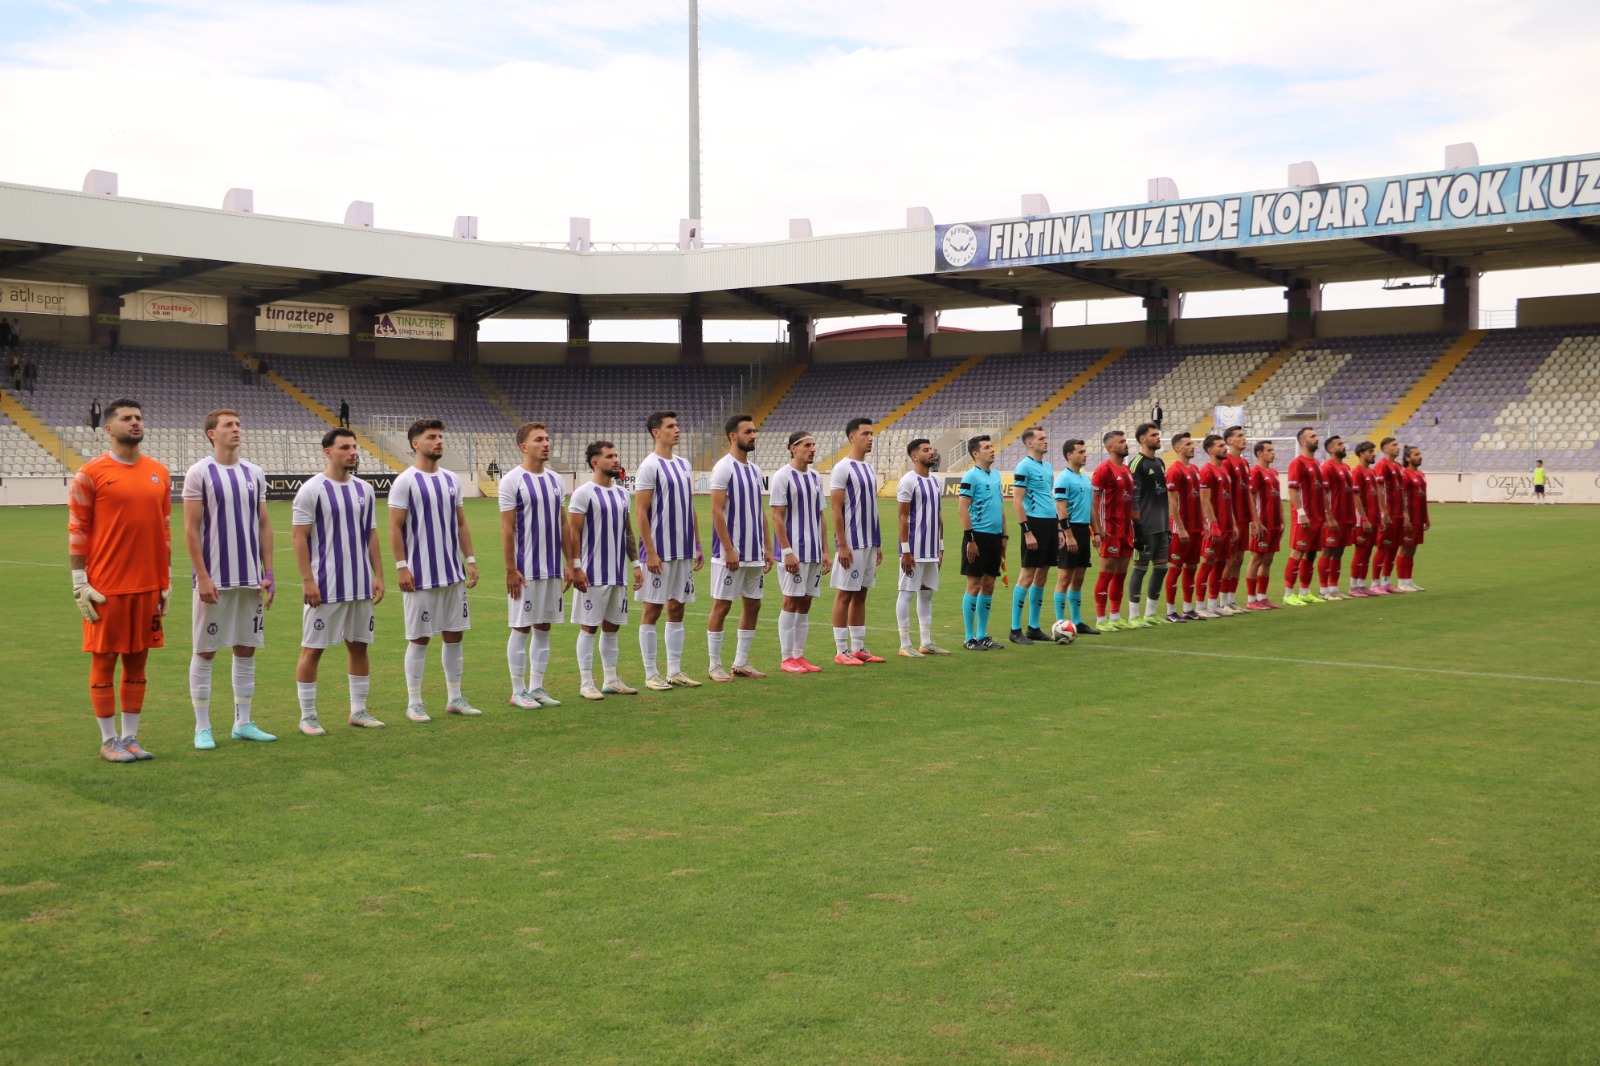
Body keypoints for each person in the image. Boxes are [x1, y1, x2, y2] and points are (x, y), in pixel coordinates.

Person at [68, 398, 172, 763]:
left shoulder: (159, 471)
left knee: (138, 661)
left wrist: (166, 579)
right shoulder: (90, 474)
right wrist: (79, 580)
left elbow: (164, 530)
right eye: (127, 418)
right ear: (108, 428)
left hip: (147, 586)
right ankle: (108, 740)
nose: (135, 422)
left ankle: (130, 738)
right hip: (106, 586)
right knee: (104, 659)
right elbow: (78, 528)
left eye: (139, 417)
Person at [183, 409, 276, 749]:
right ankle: (202, 727)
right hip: (215, 580)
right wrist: (202, 576)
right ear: (212, 433)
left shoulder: (254, 472)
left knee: (246, 649)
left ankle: (244, 722)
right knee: (206, 651)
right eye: (228, 425)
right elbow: (191, 528)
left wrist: (268, 572)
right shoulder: (199, 472)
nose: (236, 429)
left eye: (238, 424)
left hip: (250, 579)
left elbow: (264, 524)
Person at [292, 428, 386, 732]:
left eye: (355, 447)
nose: (353, 452)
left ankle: (358, 710)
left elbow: (371, 535)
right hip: (325, 586)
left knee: (359, 647)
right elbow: (299, 538)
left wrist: (379, 575)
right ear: (328, 452)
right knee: (313, 649)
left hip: (359, 586)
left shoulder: (365, 490)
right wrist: (307, 580)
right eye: (345, 447)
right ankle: (307, 715)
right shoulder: (312, 490)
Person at [390, 419, 481, 722]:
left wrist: (470, 559)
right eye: (432, 437)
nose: (439, 441)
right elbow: (395, 527)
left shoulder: (451, 480)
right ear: (416, 444)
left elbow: (461, 524)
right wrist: (402, 567)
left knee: (454, 636)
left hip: (452, 573)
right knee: (419, 638)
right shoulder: (405, 481)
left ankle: (455, 697)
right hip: (420, 576)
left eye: (441, 436)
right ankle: (414, 702)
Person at [633, 411, 705, 690]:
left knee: (677, 607)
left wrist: (697, 544)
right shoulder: (649, 466)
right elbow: (640, 511)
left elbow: (689, 506)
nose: (677, 430)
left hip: (683, 550)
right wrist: (649, 552)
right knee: (652, 609)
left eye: (677, 425)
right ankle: (651, 673)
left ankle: (675, 670)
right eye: (671, 426)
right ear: (656, 432)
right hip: (659, 552)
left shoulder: (684, 464)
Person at [500, 422, 568, 710]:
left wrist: (571, 563)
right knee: (521, 628)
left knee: (544, 628)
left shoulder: (556, 480)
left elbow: (563, 524)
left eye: (547, 438)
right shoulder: (512, 481)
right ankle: (518, 690)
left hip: (552, 568)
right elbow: (506, 528)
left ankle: (537, 686)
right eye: (539, 439)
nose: (546, 443)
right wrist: (510, 569)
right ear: (523, 447)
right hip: (526, 571)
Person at [567, 440, 641, 700]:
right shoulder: (583, 493)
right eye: (610, 456)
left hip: (617, 573)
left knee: (613, 627)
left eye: (616, 455)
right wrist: (575, 567)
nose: (616, 459)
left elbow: (627, 532)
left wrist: (636, 564)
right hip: (592, 573)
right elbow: (573, 533)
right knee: (589, 627)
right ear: (595, 462)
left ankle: (611, 679)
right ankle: (586, 682)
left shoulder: (621, 494)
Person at [707, 414, 774, 682]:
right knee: (722, 606)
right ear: (733, 436)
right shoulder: (724, 467)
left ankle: (741, 662)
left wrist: (768, 547)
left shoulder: (755, 471)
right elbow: (716, 510)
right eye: (748, 431)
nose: (754, 435)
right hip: (730, 554)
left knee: (753, 605)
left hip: (754, 553)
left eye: (755, 430)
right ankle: (714, 665)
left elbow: (760, 512)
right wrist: (729, 549)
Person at [770, 430, 830, 673]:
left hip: (814, 552)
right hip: (793, 551)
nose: (813, 449)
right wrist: (787, 551)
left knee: (806, 601)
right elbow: (776, 516)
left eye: (814, 445)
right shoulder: (782, 477)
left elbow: (820, 516)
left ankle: (799, 654)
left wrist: (826, 550)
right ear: (793, 448)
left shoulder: (816, 477)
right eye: (807, 445)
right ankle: (786, 658)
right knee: (791, 600)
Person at [829, 417, 885, 664]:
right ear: (852, 437)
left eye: (872, 434)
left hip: (869, 542)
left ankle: (859, 647)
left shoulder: (870, 468)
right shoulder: (842, 468)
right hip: (851, 542)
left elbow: (872, 507)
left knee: (862, 593)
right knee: (845, 594)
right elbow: (836, 509)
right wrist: (841, 544)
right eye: (866, 434)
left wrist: (878, 541)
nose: (870, 438)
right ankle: (842, 651)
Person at [895, 437, 948, 657]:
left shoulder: (936, 482)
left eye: (932, 449)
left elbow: (938, 516)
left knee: (926, 595)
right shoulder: (908, 481)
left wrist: (941, 546)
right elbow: (902, 517)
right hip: (913, 550)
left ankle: (925, 642)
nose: (931, 453)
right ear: (914, 456)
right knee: (906, 594)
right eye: (926, 450)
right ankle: (905, 644)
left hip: (931, 550)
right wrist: (906, 551)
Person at [958, 434, 1006, 651]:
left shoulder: (996, 476)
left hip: (995, 538)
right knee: (974, 586)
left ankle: (982, 635)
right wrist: (971, 539)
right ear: (976, 453)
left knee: (989, 585)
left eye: (992, 446)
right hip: (977, 536)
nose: (992, 450)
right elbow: (962, 509)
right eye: (987, 447)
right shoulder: (970, 476)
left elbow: (1000, 508)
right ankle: (969, 638)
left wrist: (1004, 536)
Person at [1009, 427, 1055, 644]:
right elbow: (1017, 501)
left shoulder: (1047, 467)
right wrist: (1027, 530)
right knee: (1026, 577)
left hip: (1050, 524)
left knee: (1042, 577)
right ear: (1029, 443)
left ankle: (1034, 627)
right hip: (1034, 525)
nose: (1046, 441)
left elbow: (1048, 497)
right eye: (1041, 438)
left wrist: (1059, 529)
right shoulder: (1023, 466)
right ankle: (1015, 629)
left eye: (1045, 438)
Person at [1090, 430, 1136, 630]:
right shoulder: (1103, 470)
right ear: (1110, 447)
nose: (1126, 444)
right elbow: (1093, 501)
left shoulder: (1126, 470)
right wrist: (1098, 530)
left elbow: (1131, 502)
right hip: (1109, 530)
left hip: (1127, 531)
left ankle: (1115, 616)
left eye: (1125, 440)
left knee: (1121, 574)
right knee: (1106, 573)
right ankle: (1101, 619)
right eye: (1121, 441)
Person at [1052, 438, 1097, 633]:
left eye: (1084, 451)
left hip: (1083, 530)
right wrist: (1068, 535)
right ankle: (1061, 623)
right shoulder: (1063, 478)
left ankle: (1077, 621)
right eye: (1080, 452)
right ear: (1070, 455)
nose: (1084, 454)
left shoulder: (1085, 478)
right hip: (1070, 530)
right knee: (1064, 578)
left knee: (1078, 578)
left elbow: (1091, 509)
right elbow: (1061, 510)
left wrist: (1098, 532)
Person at [1126, 421, 1169, 628]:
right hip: (1144, 526)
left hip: (1161, 525)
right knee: (1140, 568)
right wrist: (1137, 529)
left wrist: (1167, 525)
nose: (1158, 438)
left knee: (1161, 568)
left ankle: (1150, 612)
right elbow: (1133, 498)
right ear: (1143, 439)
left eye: (1158, 435)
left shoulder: (1160, 462)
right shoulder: (1137, 464)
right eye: (1154, 435)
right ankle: (1134, 615)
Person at [1283, 427, 1326, 606]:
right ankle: (1288, 593)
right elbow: (1292, 489)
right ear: (1303, 441)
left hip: (1317, 517)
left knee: (1311, 554)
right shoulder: (1297, 463)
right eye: (1312, 436)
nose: (1317, 439)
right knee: (1297, 552)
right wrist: (1301, 513)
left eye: (1316, 436)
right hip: (1304, 517)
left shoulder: (1316, 462)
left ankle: (1305, 592)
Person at [1317, 435, 1364, 600]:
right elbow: (1323, 493)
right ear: (1331, 449)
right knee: (1328, 551)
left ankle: (1334, 588)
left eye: (1342, 443)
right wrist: (1329, 517)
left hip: (1346, 517)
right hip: (1334, 517)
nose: (1343, 446)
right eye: (1339, 444)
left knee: (1339, 552)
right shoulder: (1327, 467)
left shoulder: (1345, 467)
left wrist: (1352, 517)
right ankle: (1323, 591)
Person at [1193, 433, 1234, 619]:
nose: (1225, 448)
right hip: (1214, 526)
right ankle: (1200, 605)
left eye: (1224, 445)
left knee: (1221, 563)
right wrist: (1213, 524)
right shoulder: (1207, 471)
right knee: (1208, 562)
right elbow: (1204, 500)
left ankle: (1213, 603)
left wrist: (1232, 523)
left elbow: (1228, 499)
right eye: (1220, 446)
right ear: (1210, 450)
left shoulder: (1224, 471)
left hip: (1226, 525)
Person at [1163, 432, 1202, 622]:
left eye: (1192, 443)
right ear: (1177, 448)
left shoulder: (1194, 469)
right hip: (1181, 529)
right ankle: (1170, 611)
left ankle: (1188, 608)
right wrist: (1181, 527)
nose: (1192, 446)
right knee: (1176, 567)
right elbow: (1172, 503)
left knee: (1191, 568)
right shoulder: (1174, 470)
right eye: (1188, 444)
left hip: (1196, 527)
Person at [1245, 440, 1283, 610]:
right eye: (1269, 450)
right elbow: (1251, 497)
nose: (1273, 452)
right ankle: (1251, 599)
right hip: (1263, 523)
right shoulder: (1255, 472)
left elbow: (1278, 499)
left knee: (1268, 559)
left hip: (1274, 523)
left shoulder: (1273, 472)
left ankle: (1262, 597)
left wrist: (1282, 521)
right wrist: (1256, 521)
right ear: (1259, 453)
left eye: (1273, 450)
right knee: (1256, 558)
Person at [1220, 425, 1253, 615]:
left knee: (1239, 559)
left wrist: (1253, 518)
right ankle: (1223, 600)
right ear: (1230, 441)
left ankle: (1231, 600)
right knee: (1229, 559)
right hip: (1232, 517)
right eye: (1240, 436)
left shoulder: (1245, 462)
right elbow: (1226, 495)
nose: (1244, 438)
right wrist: (1231, 520)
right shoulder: (1227, 462)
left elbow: (1247, 491)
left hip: (1244, 517)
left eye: (1244, 435)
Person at [1370, 436, 1410, 594]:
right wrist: (1383, 512)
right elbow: (1379, 490)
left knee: (1393, 548)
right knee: (1383, 547)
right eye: (1394, 445)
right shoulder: (1381, 465)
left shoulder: (1398, 466)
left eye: (1398, 445)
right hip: (1389, 513)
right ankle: (1375, 583)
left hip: (1398, 513)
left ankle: (1386, 581)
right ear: (1385, 448)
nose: (1398, 447)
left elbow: (1401, 491)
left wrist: (1405, 512)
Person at [1346, 441, 1383, 597]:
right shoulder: (1357, 472)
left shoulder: (1372, 472)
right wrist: (1364, 518)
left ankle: (1362, 584)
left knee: (1368, 552)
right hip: (1363, 519)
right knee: (1360, 551)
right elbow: (1356, 497)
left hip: (1374, 518)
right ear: (1361, 453)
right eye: (1369, 451)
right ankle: (1353, 586)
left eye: (1373, 451)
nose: (1373, 454)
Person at [1397, 446, 1430, 592]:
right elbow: (1401, 497)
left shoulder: (1421, 474)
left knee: (1412, 550)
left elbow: (1423, 497)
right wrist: (1405, 517)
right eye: (1416, 454)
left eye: (1420, 454)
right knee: (1404, 548)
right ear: (1408, 458)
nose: (1420, 456)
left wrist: (1426, 517)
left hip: (1419, 516)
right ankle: (1401, 582)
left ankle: (1409, 581)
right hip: (1409, 517)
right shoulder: (1405, 475)